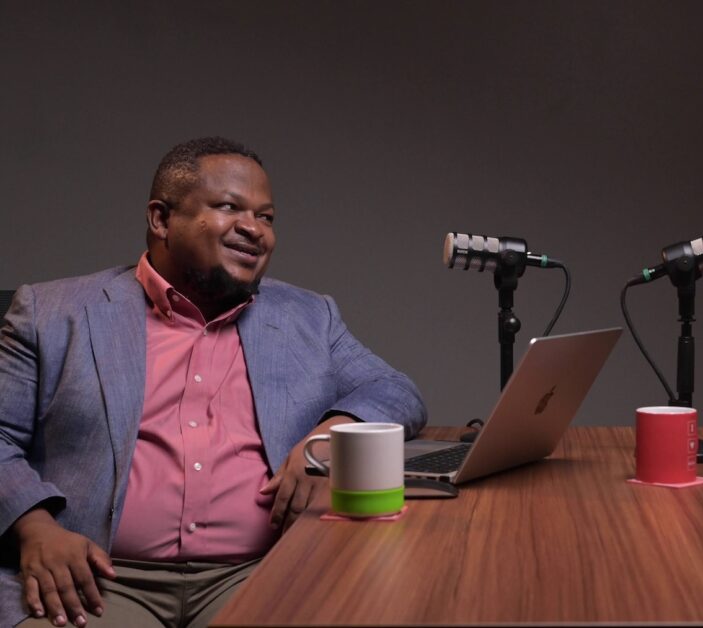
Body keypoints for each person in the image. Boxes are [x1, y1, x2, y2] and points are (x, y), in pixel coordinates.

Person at [0, 137, 427, 628]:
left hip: (259, 574)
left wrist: (331, 437)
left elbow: (396, 390)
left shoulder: (310, 316)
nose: (254, 228)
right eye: (229, 207)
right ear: (161, 219)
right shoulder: (53, 313)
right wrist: (35, 529)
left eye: (266, 217)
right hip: (93, 581)